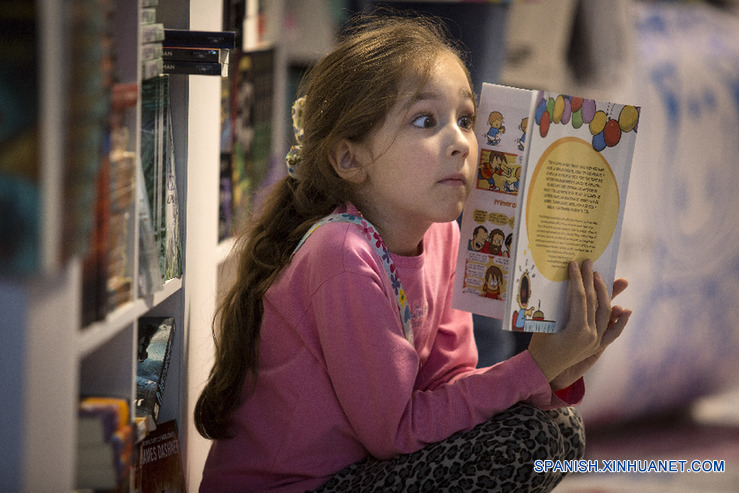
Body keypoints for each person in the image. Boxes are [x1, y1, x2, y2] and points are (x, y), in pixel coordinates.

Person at [196, 13, 631, 493]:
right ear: (350, 158)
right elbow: (396, 433)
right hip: (304, 485)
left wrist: (558, 371)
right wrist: (531, 368)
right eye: (426, 121)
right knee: (527, 439)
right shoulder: (340, 253)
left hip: (359, 470)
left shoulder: (442, 234)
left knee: (560, 425)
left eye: (466, 119)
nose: (461, 143)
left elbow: (451, 381)